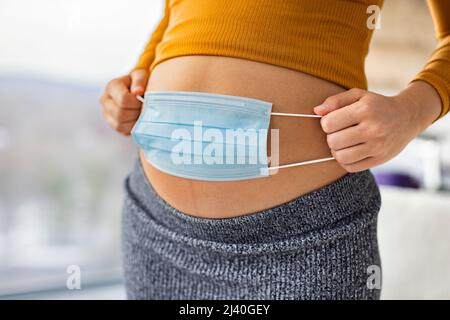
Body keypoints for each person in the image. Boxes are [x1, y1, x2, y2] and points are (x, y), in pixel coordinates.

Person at [100, 0, 449, 299]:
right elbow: (173, 14)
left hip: (307, 241)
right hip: (156, 226)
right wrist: (136, 77)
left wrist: (411, 111)